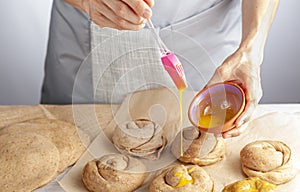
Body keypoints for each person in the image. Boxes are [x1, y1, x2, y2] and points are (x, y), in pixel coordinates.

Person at [41, 0, 280, 138]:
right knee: (66, 143)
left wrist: (251, 47)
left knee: (201, 135)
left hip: (204, 36)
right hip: (85, 34)